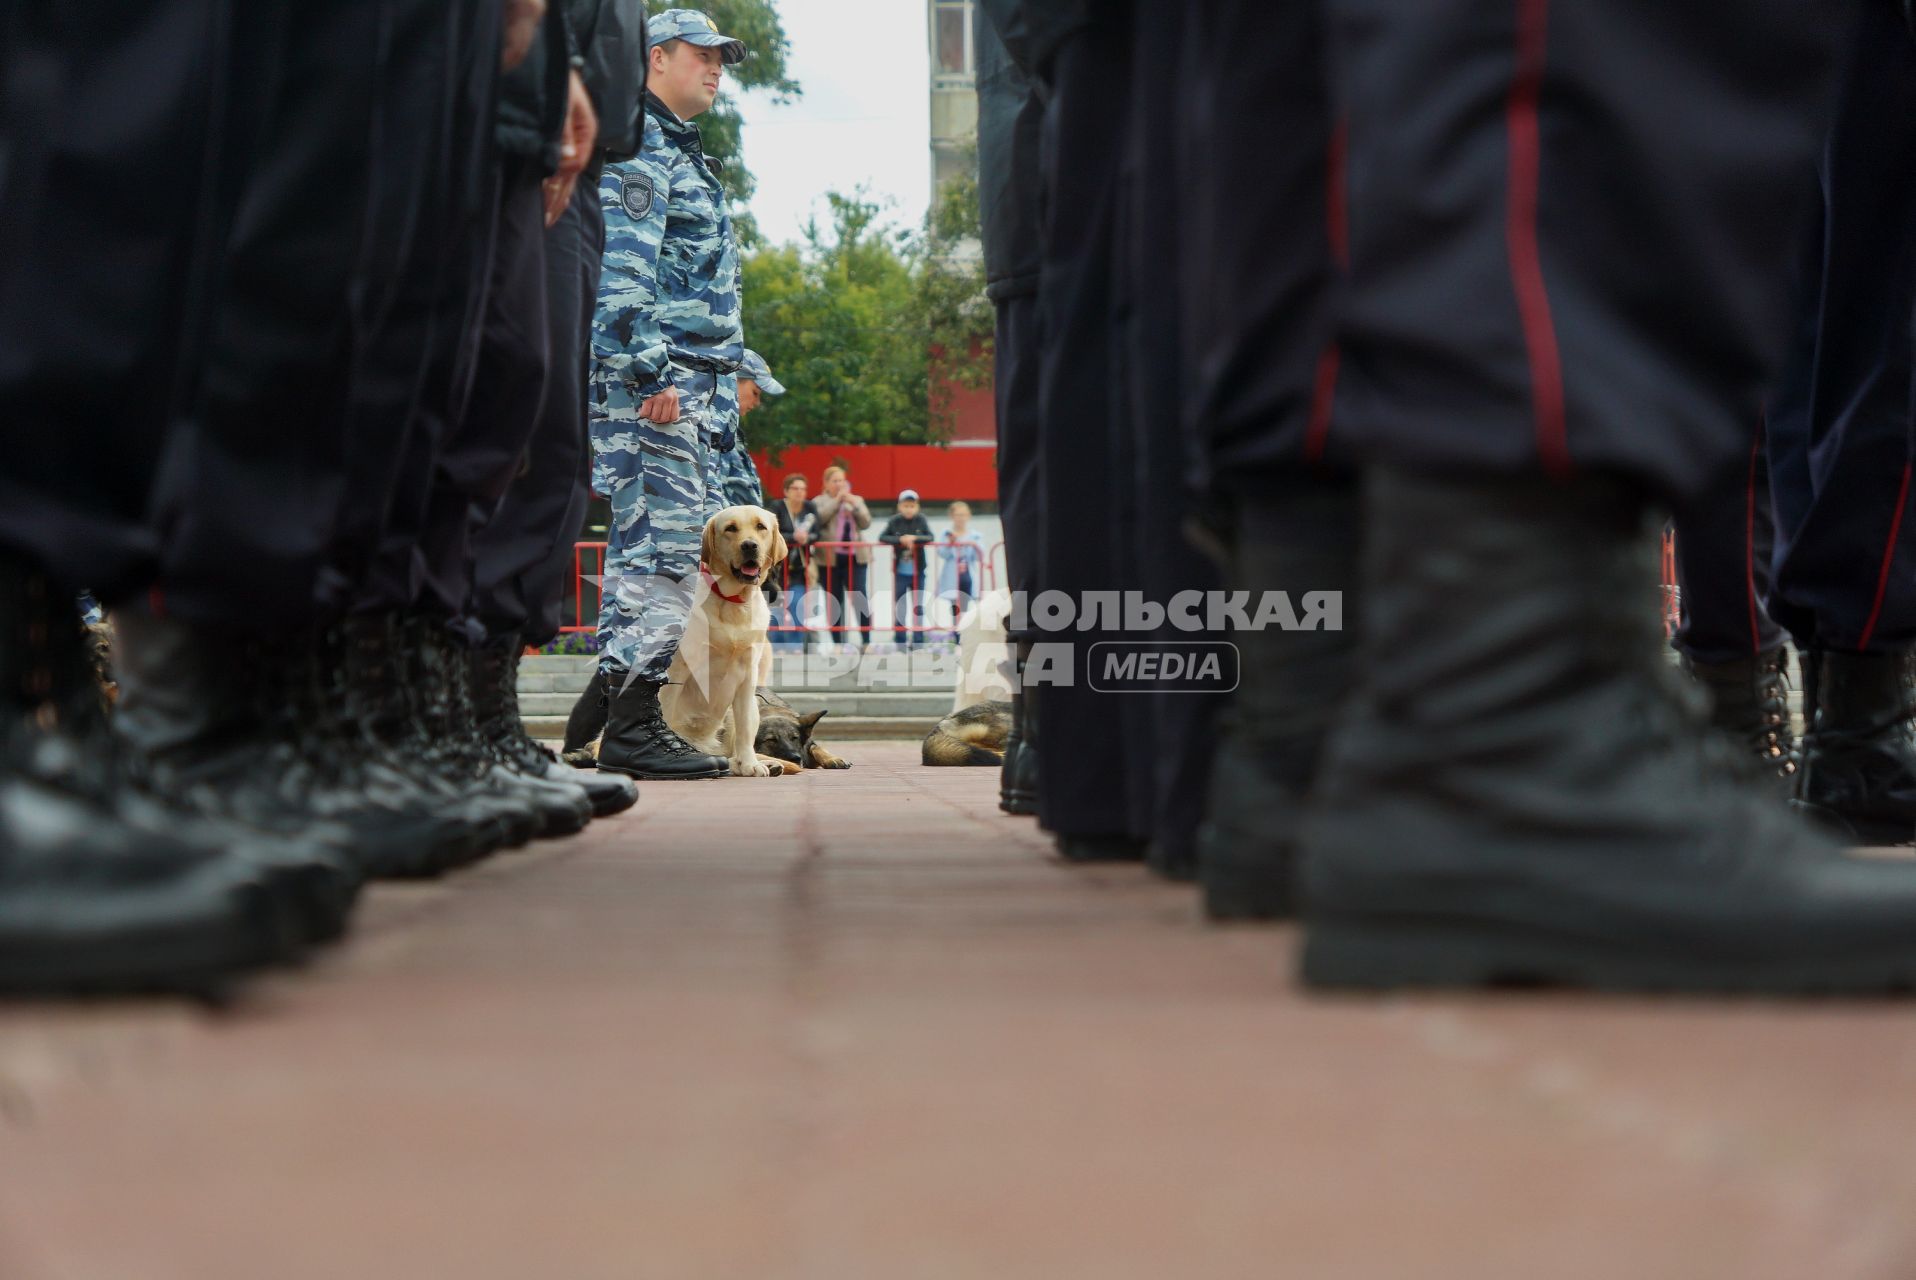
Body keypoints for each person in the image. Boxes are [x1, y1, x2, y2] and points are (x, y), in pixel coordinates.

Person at [586, 7, 750, 780]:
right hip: (661, 388)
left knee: (644, 553)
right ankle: (631, 724)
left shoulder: (678, 150)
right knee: (671, 558)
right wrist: (651, 374)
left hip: (690, 386)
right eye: (702, 54)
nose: (717, 68)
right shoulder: (643, 149)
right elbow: (621, 276)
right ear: (655, 58)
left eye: (724, 57)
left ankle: (600, 717)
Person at [812, 465, 874, 648]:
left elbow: (866, 523)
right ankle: (838, 643)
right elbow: (819, 519)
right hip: (829, 559)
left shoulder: (857, 500)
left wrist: (853, 506)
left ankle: (866, 641)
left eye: (841, 480)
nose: (839, 484)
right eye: (835, 481)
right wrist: (837, 501)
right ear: (826, 484)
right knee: (834, 601)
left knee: (859, 597)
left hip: (855, 558)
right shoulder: (819, 501)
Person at [715, 348, 783, 508]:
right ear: (733, 380)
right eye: (755, 392)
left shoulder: (729, 431)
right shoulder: (710, 429)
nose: (757, 403)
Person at [879, 490, 935, 649]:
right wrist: (899, 539)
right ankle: (900, 639)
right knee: (900, 607)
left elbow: (930, 537)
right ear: (899, 506)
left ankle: (918, 640)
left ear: (917, 507)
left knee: (918, 607)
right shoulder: (894, 521)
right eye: (905, 506)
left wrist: (915, 538)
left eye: (912, 506)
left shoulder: (921, 520)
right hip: (900, 573)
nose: (909, 509)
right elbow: (882, 537)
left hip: (918, 572)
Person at [772, 473, 818, 650]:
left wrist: (807, 538)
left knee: (798, 605)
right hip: (777, 568)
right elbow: (772, 532)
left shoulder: (810, 507)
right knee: (775, 608)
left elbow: (817, 533)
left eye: (803, 489)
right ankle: (775, 648)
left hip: (799, 568)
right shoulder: (777, 507)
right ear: (786, 491)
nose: (800, 492)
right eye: (795, 488)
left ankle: (795, 647)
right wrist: (793, 537)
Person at [935, 501, 989, 643]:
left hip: (967, 576)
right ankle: (957, 636)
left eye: (964, 514)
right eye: (958, 515)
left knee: (967, 606)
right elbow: (942, 553)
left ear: (969, 516)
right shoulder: (946, 533)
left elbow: (979, 556)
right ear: (952, 516)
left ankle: (966, 635)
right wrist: (950, 543)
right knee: (955, 606)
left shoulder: (975, 535)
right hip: (952, 575)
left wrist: (974, 545)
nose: (961, 518)